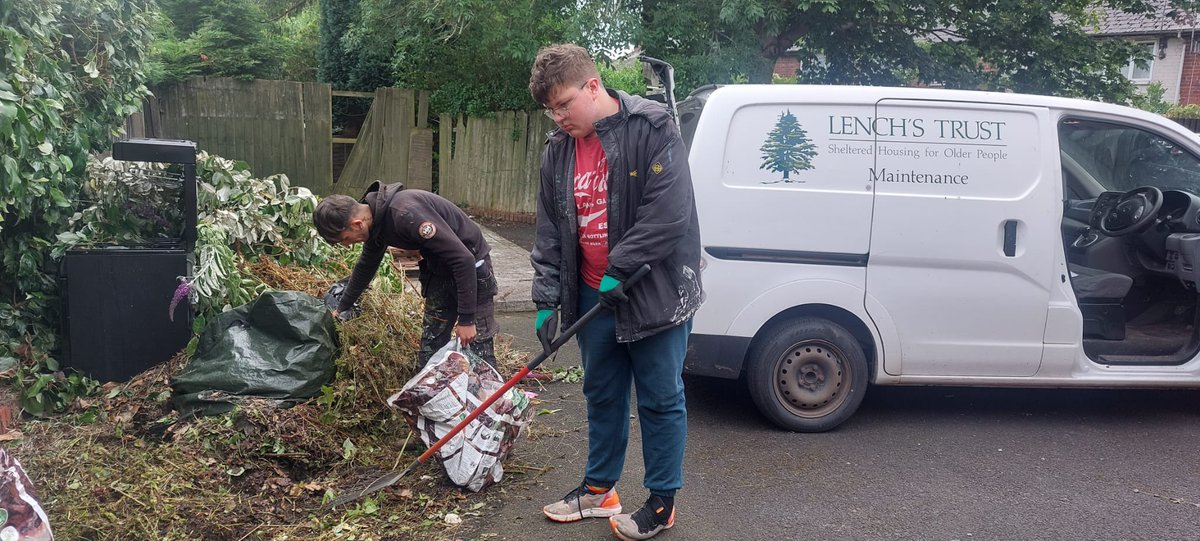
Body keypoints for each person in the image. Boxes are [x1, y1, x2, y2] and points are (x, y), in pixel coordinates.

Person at [528, 44, 703, 540]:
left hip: (653, 292)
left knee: (660, 399)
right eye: (550, 110)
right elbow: (549, 231)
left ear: (592, 85)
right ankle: (599, 490)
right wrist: (546, 299)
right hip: (592, 295)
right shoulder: (558, 151)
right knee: (601, 393)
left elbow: (668, 213)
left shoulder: (652, 128)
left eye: (564, 104)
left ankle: (662, 502)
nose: (559, 117)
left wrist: (620, 268)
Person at [312, 181, 499, 367]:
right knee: (431, 346)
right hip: (439, 270)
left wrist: (466, 319)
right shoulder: (376, 224)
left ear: (357, 224)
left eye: (345, 239)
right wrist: (342, 308)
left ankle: (487, 384)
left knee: (478, 349)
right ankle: (432, 384)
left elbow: (463, 259)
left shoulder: (405, 214)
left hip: (471, 269)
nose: (347, 245)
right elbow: (365, 266)